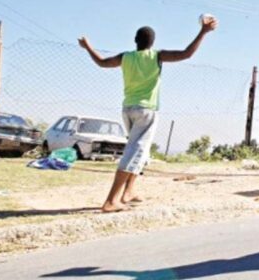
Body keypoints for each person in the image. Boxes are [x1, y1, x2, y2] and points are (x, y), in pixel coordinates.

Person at [79, 17, 218, 213]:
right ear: (152, 42)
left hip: (128, 109)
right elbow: (186, 54)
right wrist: (203, 32)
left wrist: (87, 47)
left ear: (135, 40)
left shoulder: (125, 57)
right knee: (133, 152)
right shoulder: (156, 56)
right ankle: (111, 201)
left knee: (140, 152)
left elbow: (101, 62)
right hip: (146, 111)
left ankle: (129, 192)